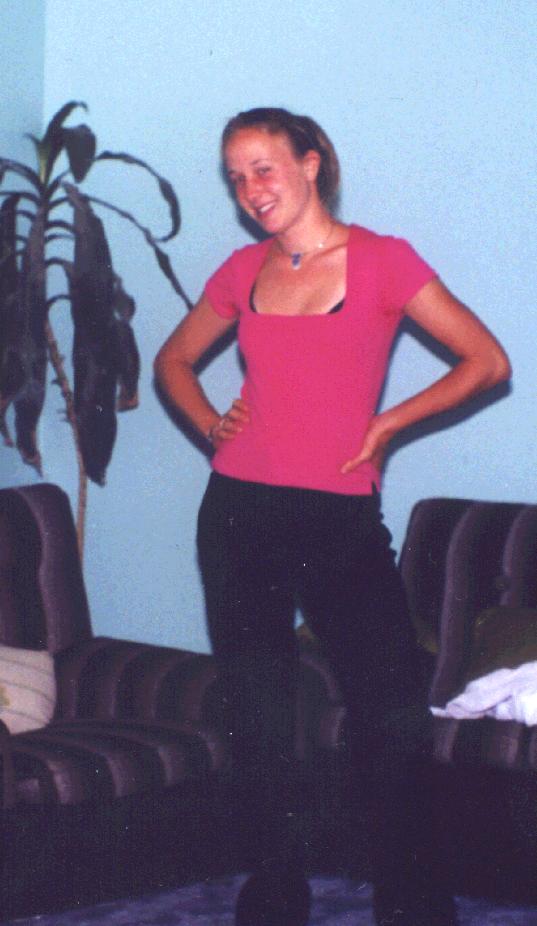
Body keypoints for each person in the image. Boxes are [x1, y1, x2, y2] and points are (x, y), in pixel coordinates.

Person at [154, 107, 510, 926]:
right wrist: (210, 426)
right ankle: (276, 893)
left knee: (393, 714)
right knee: (260, 715)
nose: (250, 190)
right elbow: (173, 358)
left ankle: (411, 902)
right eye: (236, 178)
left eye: (264, 168)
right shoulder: (242, 268)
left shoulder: (383, 261)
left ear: (310, 163)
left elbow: (486, 361)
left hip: (338, 518)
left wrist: (388, 424)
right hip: (237, 512)